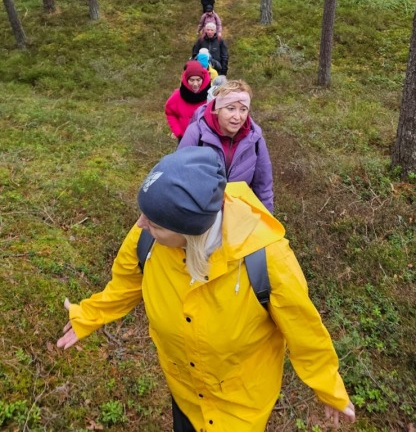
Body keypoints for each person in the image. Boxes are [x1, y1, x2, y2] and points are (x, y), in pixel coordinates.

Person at [57, 147, 356, 432]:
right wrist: (89, 316)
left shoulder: (266, 258)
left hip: (240, 409)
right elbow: (123, 286)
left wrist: (328, 387)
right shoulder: (145, 238)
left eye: (155, 222)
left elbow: (305, 330)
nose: (140, 223)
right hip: (185, 394)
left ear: (189, 231)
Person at [178, 79, 273, 211]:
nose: (237, 117)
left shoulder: (255, 139)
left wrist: (266, 222)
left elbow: (264, 187)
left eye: (243, 110)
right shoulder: (196, 134)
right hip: (202, 214)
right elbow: (179, 178)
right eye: (230, 108)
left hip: (238, 215)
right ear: (217, 109)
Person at [165, 60, 211, 142]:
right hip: (185, 138)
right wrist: (178, 131)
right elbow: (170, 113)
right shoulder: (177, 95)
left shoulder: (210, 95)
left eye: (198, 80)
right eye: (192, 80)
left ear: (203, 79)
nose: (195, 84)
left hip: (205, 139)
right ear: (186, 80)